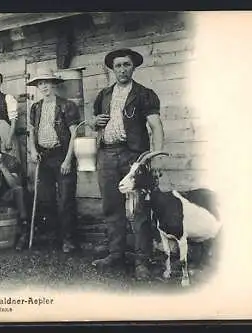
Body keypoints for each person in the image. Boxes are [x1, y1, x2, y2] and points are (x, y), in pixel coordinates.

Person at [87, 48, 164, 280]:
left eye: (126, 65)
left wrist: (157, 156)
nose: (122, 69)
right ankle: (116, 254)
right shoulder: (104, 95)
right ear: (112, 69)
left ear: (133, 68)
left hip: (133, 158)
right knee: (111, 207)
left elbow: (156, 126)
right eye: (118, 65)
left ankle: (142, 260)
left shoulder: (144, 94)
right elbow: (94, 123)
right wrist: (93, 122)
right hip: (107, 156)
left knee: (139, 208)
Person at [27, 68, 81, 253]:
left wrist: (68, 160)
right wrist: (33, 151)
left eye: (46, 82)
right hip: (43, 157)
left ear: (53, 84)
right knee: (46, 199)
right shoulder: (35, 107)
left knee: (66, 199)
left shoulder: (67, 106)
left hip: (62, 156)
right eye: (40, 83)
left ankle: (69, 239)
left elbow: (75, 134)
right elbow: (31, 132)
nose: (43, 86)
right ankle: (53, 237)